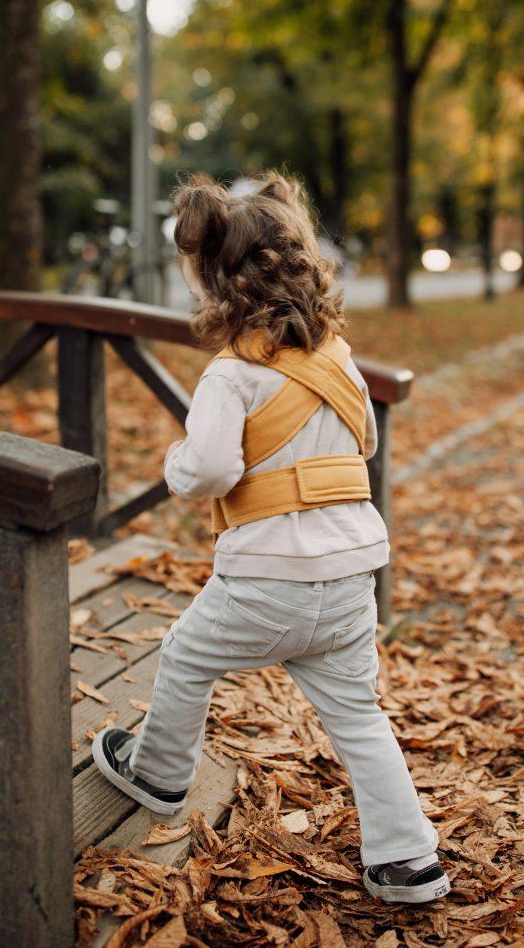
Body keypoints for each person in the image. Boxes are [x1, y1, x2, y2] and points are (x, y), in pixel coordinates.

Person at [92, 170, 449, 905]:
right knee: (358, 717)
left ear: (215, 280)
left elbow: (211, 469)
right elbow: (368, 442)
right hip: (351, 579)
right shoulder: (338, 358)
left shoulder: (231, 374)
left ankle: (159, 772)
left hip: (265, 580)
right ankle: (408, 860)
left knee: (186, 655)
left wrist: (177, 465)